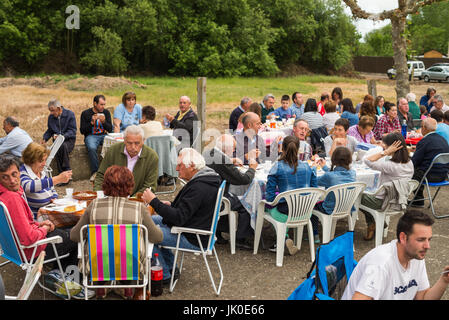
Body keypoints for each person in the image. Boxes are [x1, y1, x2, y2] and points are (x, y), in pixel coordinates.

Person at [70, 165, 163, 300]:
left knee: (100, 250)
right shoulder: (139, 208)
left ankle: (101, 284)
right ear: (130, 185)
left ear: (105, 185)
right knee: (134, 246)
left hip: (98, 265)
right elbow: (157, 237)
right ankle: (130, 286)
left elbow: (74, 236)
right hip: (131, 265)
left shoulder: (94, 205)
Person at [0, 155, 86, 299]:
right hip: (32, 252)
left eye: (14, 174)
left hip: (14, 249)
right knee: (78, 235)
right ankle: (69, 282)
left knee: (66, 232)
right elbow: (29, 238)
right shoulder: (12, 198)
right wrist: (44, 229)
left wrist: (40, 224)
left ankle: (58, 273)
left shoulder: (5, 195)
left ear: (19, 172)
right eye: (5, 177)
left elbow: (21, 225)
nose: (12, 180)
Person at [141, 148, 222, 284]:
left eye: (180, 165)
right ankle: (172, 268)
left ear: (191, 166)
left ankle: (164, 275)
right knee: (146, 220)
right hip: (195, 227)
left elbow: (179, 218)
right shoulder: (205, 179)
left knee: (144, 232)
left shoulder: (199, 187)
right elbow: (191, 208)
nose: (177, 169)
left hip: (193, 236)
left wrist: (153, 201)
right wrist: (171, 205)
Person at [342, 210, 449, 300]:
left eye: (429, 239)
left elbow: (422, 297)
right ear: (403, 238)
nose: (427, 246)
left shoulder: (416, 255)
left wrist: (444, 281)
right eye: (421, 240)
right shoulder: (381, 263)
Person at [265, 136, 318, 253]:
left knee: (267, 207)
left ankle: (283, 239)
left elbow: (270, 195)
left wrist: (274, 200)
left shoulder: (277, 167)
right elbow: (315, 188)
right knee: (282, 205)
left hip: (285, 213)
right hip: (305, 212)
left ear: (282, 148)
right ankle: (284, 239)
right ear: (298, 149)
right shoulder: (307, 166)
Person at [204, 134, 257, 250]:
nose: (234, 150)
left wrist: (230, 160)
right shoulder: (223, 160)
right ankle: (241, 238)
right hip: (216, 198)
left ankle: (219, 230)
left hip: (207, 193)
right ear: (226, 149)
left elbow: (220, 165)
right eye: (233, 148)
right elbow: (243, 179)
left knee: (231, 195)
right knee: (246, 202)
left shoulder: (211, 152)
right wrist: (252, 168)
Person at [359, 132, 414, 241]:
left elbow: (366, 160)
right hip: (398, 199)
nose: (383, 146)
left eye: (385, 145)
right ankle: (374, 223)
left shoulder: (390, 166)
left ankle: (372, 223)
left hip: (384, 202)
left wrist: (385, 153)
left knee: (356, 196)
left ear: (392, 148)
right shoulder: (409, 163)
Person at [93, 125, 158, 197]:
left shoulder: (152, 157)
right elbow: (101, 175)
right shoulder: (113, 150)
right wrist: (99, 194)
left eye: (137, 143)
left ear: (143, 141)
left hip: (137, 200)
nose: (133, 147)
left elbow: (149, 186)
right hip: (112, 197)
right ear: (124, 140)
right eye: (129, 143)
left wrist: (131, 200)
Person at [311, 147, 356, 242]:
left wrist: (314, 168)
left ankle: (315, 234)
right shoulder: (353, 173)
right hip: (346, 208)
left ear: (333, 160)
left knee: (312, 205)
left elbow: (314, 181)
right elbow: (336, 176)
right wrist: (325, 168)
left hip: (329, 208)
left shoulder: (329, 176)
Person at [20, 142, 72, 218]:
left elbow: (51, 188)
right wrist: (57, 179)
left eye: (45, 160)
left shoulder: (41, 171)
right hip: (37, 218)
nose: (44, 164)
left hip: (50, 212)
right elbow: (29, 186)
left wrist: (54, 198)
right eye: (41, 161)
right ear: (31, 160)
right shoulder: (22, 172)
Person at [410, 117, 449, 207]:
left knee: (409, 169)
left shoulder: (424, 141)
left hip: (429, 176)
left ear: (424, 128)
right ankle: (418, 199)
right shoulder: (443, 140)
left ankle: (418, 199)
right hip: (443, 175)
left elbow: (414, 162)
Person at [80, 94, 113, 182]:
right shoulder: (85, 113)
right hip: (91, 136)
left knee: (114, 146)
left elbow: (110, 129)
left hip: (104, 135)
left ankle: (111, 172)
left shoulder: (106, 113)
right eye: (101, 104)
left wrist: (104, 122)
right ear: (95, 103)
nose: (103, 107)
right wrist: (91, 123)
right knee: (91, 147)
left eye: (104, 104)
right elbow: (82, 131)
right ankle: (95, 172)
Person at [41, 99, 77, 176]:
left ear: (59, 108)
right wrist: (45, 138)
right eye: (50, 111)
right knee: (58, 146)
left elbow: (72, 131)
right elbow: (50, 130)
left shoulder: (70, 114)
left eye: (53, 110)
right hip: (57, 142)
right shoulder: (51, 117)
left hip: (69, 141)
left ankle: (67, 171)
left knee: (62, 146)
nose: (51, 113)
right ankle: (63, 175)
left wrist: (62, 137)